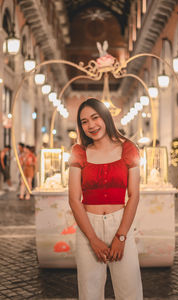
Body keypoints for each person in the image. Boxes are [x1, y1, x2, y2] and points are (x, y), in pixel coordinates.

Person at [68, 98, 143, 300]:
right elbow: (74, 199)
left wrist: (121, 236)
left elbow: (134, 195)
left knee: (130, 291)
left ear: (106, 117)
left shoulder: (129, 149)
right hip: (87, 227)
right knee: (89, 292)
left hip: (120, 224)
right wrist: (92, 239)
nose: (91, 125)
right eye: (84, 121)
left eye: (95, 117)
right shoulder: (78, 152)